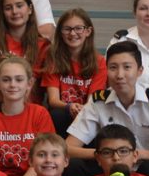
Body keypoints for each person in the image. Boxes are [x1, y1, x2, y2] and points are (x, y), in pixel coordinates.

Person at [66, 40, 149, 176]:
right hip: (109, 168)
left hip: (147, 168)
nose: (119, 75)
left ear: (140, 71)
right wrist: (105, 154)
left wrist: (141, 154)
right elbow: (67, 148)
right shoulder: (98, 101)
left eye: (127, 67)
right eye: (113, 67)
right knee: (73, 165)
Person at [0, 55, 55, 176]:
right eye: (6, 80)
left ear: (29, 84)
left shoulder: (40, 113)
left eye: (19, 80)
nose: (12, 85)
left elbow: (45, 158)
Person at [0, 0, 49, 105]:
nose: (14, 11)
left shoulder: (43, 45)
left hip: (30, 106)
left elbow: (35, 82)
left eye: (19, 6)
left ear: (30, 9)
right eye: (8, 8)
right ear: (2, 13)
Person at [42, 8, 106, 136]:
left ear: (88, 31)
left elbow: (92, 101)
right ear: (60, 33)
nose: (72, 33)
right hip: (63, 112)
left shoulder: (99, 62)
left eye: (78, 28)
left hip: (87, 114)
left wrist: (82, 110)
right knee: (57, 115)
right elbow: (53, 100)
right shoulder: (53, 59)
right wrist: (69, 106)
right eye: (67, 29)